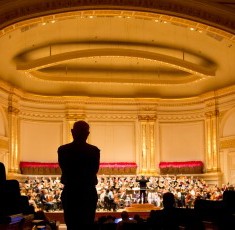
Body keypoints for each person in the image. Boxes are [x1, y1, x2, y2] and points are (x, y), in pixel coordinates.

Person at [57, 120, 100, 229]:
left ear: (72, 132)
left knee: (71, 225)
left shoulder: (63, 150)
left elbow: (65, 170)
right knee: (87, 224)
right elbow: (94, 170)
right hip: (88, 193)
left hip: (71, 192)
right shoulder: (94, 151)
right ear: (88, 133)